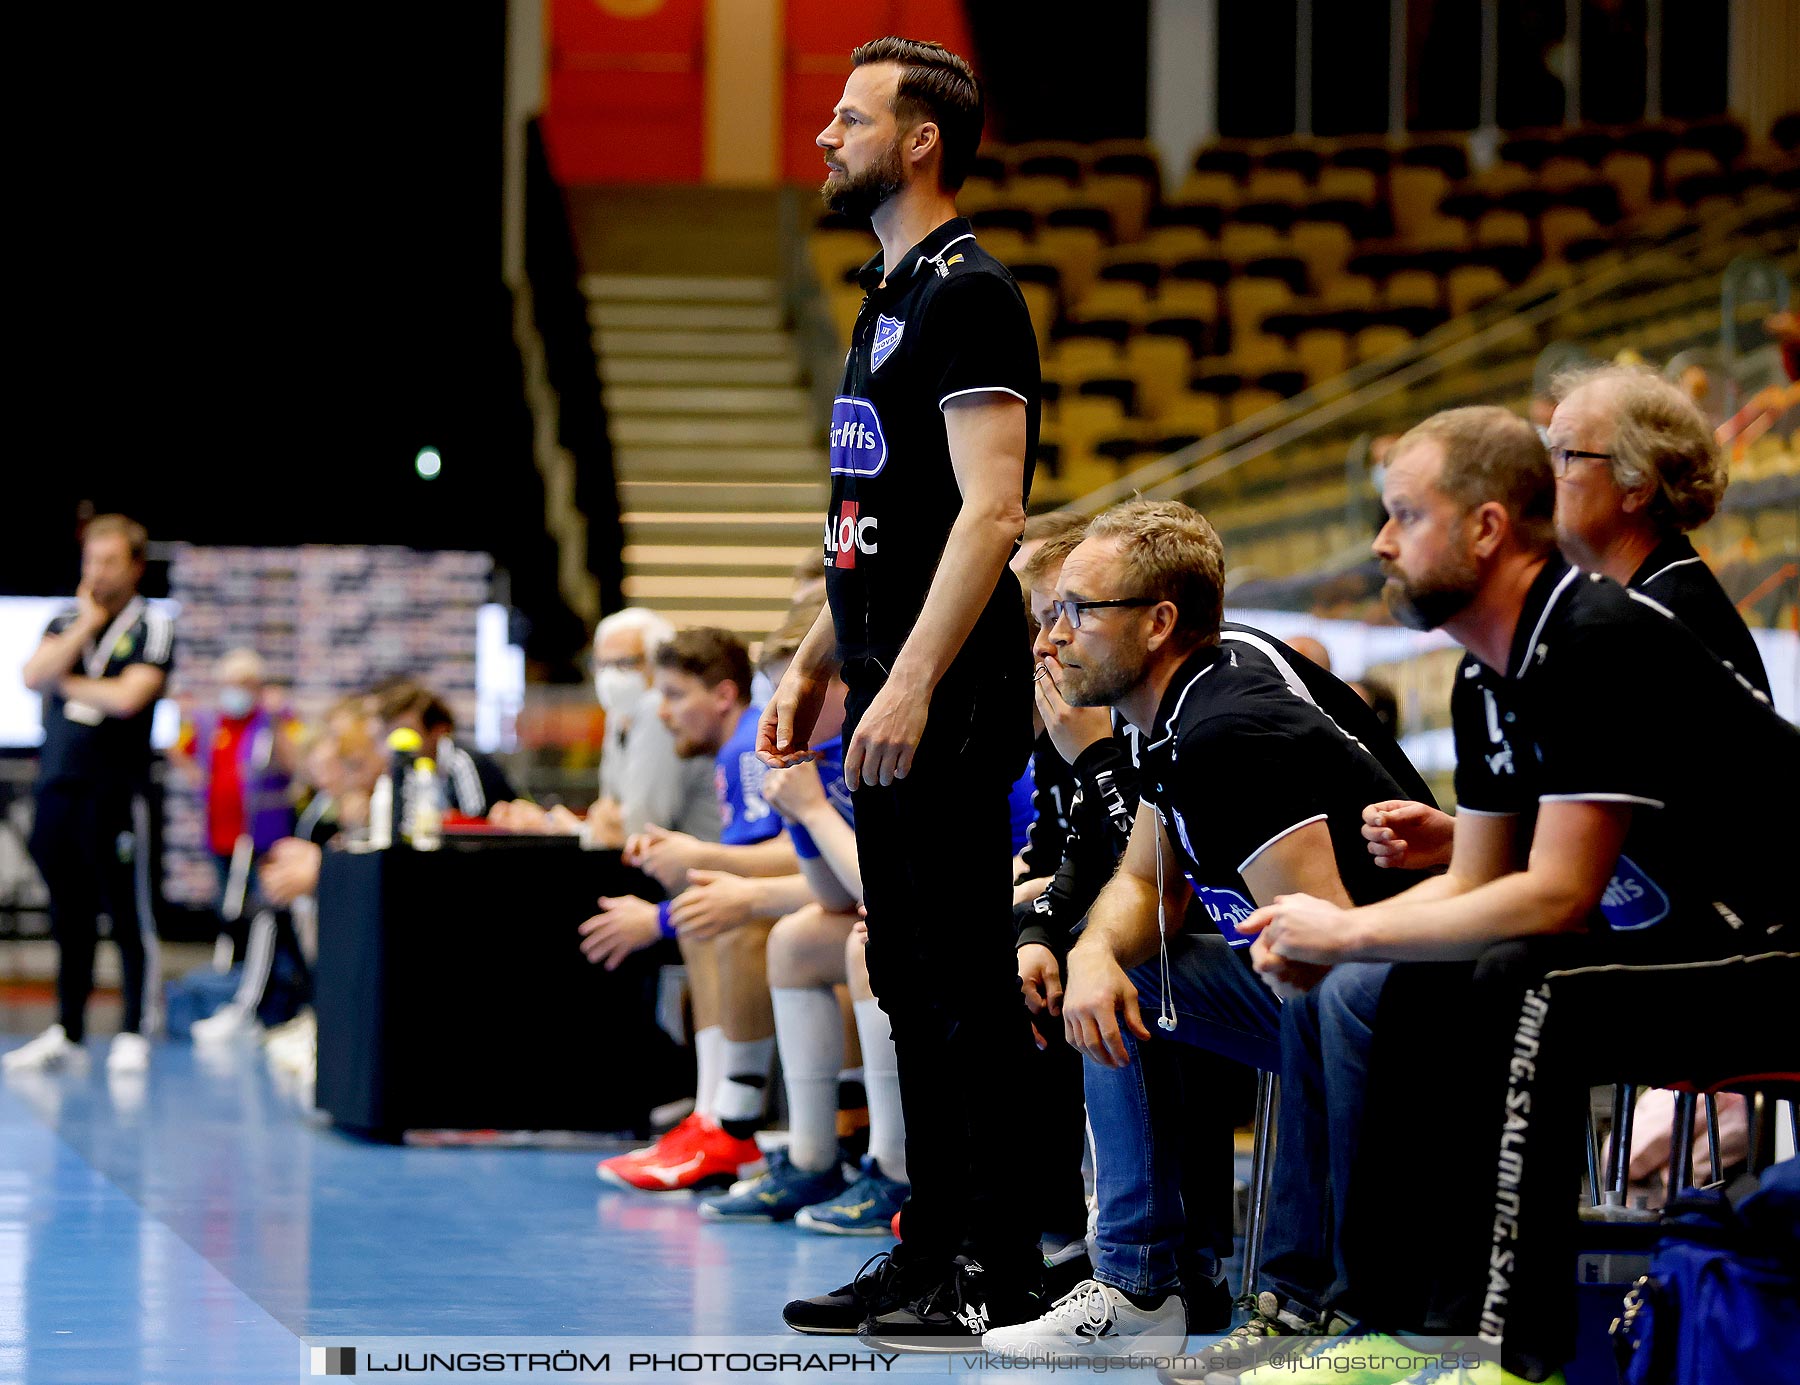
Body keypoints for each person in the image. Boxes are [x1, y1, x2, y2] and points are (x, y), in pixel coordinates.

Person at [1232, 406, 1798, 1385]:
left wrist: (1345, 922)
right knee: (1412, 977)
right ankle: (1393, 1323)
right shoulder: (1483, 672)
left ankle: (1505, 1352)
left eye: (1405, 514)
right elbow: (1476, 882)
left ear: (1488, 528)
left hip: (1781, 948)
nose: (1380, 542)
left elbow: (1556, 898)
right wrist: (1347, 939)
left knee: (1528, 984)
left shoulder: (1594, 637)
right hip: (1679, 944)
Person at [982, 500, 1417, 1360]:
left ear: (1158, 622)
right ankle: (1141, 1288)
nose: (1048, 639)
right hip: (1309, 974)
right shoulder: (1164, 710)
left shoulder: (1227, 725)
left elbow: (1324, 949)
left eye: (1075, 612)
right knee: (1117, 976)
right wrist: (1099, 949)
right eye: (1046, 614)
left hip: (1409, 994)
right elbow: (1147, 881)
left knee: (1307, 989)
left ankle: (1301, 1305)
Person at [762, 36, 1046, 1347]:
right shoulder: (884, 293)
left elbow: (991, 511)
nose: (824, 137)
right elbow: (870, 511)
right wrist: (824, 657)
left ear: (920, 139)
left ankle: (991, 1259)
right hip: (880, 681)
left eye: (848, 117)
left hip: (949, 692)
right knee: (903, 972)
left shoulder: (969, 293)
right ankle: (927, 1245)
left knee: (959, 982)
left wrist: (914, 680)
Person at [1362, 365, 1771, 874]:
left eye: (1563, 455)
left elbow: (1675, 837)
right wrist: (1467, 838)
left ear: (1636, 483)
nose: (1540, 475)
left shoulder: (1656, 618)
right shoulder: (1563, 618)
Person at [584, 628, 796, 1193]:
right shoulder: (736, 749)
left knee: (721, 924)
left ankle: (733, 1123)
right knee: (707, 923)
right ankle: (710, 1115)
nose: (665, 713)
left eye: (676, 696)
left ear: (723, 696)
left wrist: (685, 873)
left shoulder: (749, 745)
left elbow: (786, 860)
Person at [8, 515, 174, 1075]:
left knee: (127, 912)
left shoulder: (152, 624)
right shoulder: (64, 618)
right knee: (68, 913)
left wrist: (71, 682)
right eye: (91, 561)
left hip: (117, 791)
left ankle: (134, 1027)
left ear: (135, 565)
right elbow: (33, 674)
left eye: (109, 561)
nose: (98, 572)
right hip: (59, 787)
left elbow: (130, 698)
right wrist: (85, 625)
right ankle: (68, 1029)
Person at [173, 649, 299, 959]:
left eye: (244, 683)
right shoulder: (210, 723)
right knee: (228, 904)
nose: (236, 691)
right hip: (221, 831)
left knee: (265, 906)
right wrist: (198, 778)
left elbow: (295, 763)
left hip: (266, 832)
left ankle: (270, 970)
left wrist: (275, 720)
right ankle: (235, 968)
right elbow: (177, 748)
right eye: (230, 683)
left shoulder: (278, 720)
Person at [372, 680, 516, 815]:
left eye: (407, 731)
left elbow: (473, 828)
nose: (396, 743)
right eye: (390, 734)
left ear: (438, 731)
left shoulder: (460, 762)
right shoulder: (408, 769)